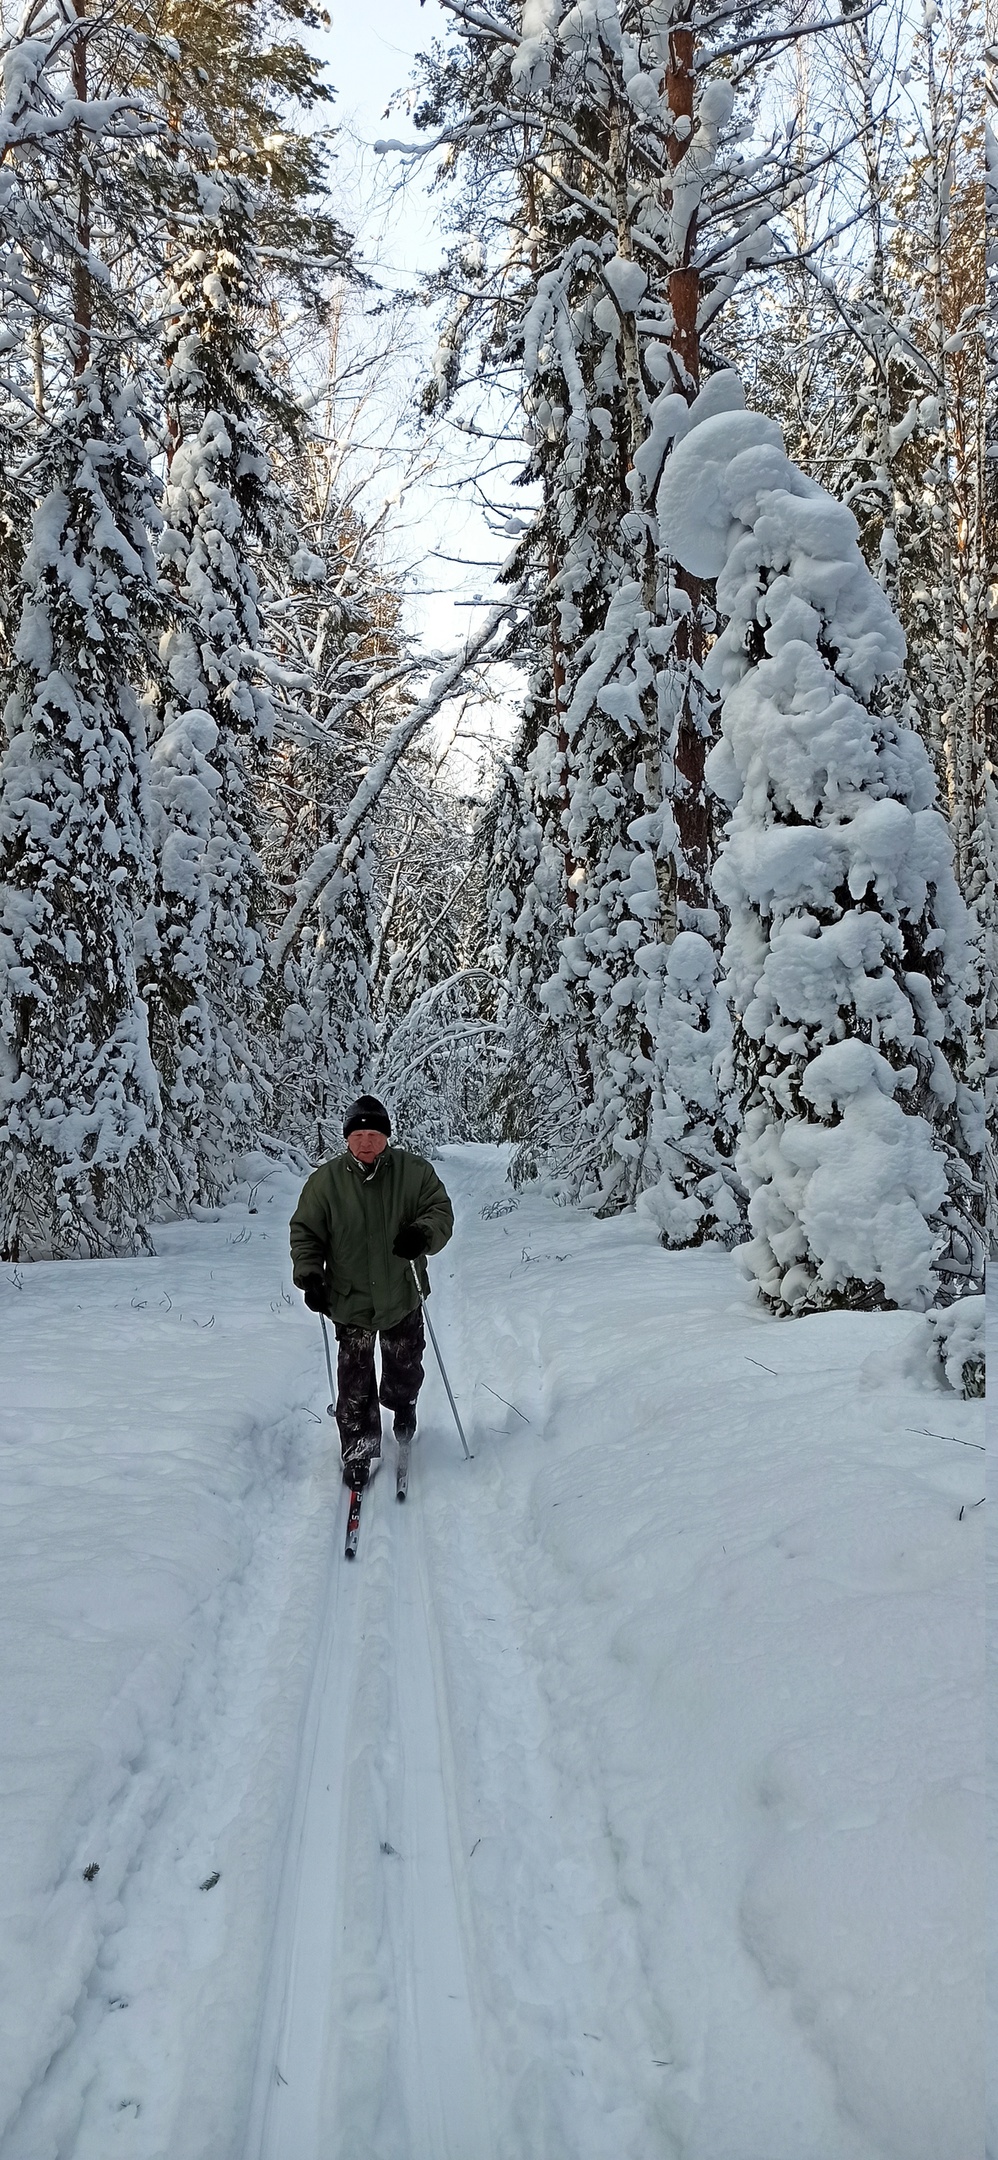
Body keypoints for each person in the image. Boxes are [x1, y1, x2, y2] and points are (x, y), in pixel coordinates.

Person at [289, 1095, 454, 1487]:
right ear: (347, 1139)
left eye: (374, 1134)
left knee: (404, 1364)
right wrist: (311, 1275)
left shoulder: (414, 1173)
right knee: (354, 1382)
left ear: (386, 1137)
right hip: (349, 1300)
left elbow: (440, 1211)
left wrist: (422, 1234)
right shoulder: (324, 1183)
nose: (366, 1143)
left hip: (401, 1293)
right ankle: (359, 1450)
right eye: (359, 1134)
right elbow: (306, 1233)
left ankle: (403, 1408)